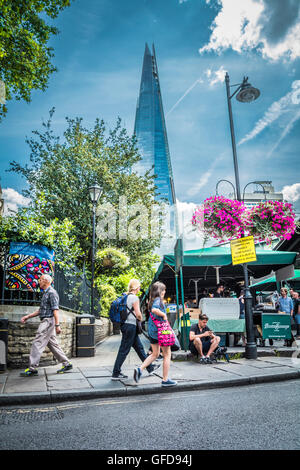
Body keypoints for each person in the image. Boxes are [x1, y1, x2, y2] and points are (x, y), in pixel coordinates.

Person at [20, 274, 73, 376]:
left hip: (48, 321)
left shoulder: (52, 293)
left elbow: (55, 310)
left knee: (37, 342)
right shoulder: (46, 293)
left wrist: (57, 325)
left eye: (40, 280)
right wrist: (28, 316)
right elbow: (41, 310)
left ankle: (32, 368)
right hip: (47, 320)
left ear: (45, 281)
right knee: (52, 344)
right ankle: (66, 363)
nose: (38, 281)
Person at [111, 279, 159, 380]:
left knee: (139, 348)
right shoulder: (134, 298)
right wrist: (141, 319)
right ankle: (116, 373)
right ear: (136, 287)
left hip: (126, 325)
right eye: (139, 287)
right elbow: (138, 314)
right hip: (131, 326)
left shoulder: (126, 297)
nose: (140, 289)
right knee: (124, 350)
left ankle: (149, 367)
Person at [133, 281, 177, 387]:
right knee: (167, 355)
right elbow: (154, 310)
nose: (165, 292)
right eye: (164, 290)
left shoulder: (151, 301)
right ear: (160, 291)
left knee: (155, 354)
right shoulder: (157, 300)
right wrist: (164, 315)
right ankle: (165, 380)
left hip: (153, 331)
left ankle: (140, 369)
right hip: (160, 331)